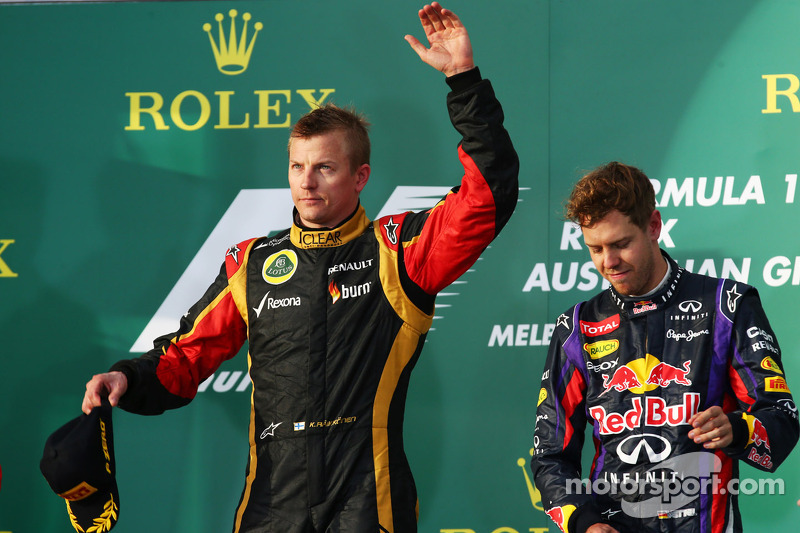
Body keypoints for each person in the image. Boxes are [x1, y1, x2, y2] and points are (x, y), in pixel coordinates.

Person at [81, 3, 518, 532]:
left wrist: (462, 80)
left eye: (324, 168)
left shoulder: (398, 250)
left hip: (368, 502)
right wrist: (126, 378)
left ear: (360, 178)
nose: (306, 182)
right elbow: (185, 358)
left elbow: (487, 196)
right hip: (271, 506)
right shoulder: (252, 264)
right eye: (297, 166)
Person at [531, 162, 798, 533]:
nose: (608, 262)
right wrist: (582, 522)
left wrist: (737, 429)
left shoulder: (728, 306)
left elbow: (781, 421)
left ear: (653, 226)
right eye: (595, 249)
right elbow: (549, 456)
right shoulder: (576, 328)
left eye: (621, 244)